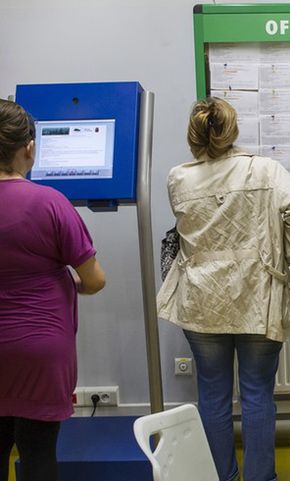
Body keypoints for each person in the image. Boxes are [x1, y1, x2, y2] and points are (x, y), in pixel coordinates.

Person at [157, 97, 290, 481]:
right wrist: (283, 257)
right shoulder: (264, 170)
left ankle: (222, 477)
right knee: (258, 393)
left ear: (193, 135)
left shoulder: (178, 177)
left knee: (212, 395)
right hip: (257, 296)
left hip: (201, 298)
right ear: (234, 130)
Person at [0, 99, 106, 481]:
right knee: (38, 454)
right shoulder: (50, 203)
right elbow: (94, 279)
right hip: (40, 353)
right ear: (29, 147)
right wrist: (64, 281)